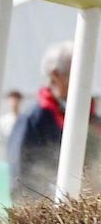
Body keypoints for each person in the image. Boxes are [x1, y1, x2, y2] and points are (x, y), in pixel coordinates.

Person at [8, 41, 101, 204]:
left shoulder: (92, 119)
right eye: (79, 71)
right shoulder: (32, 121)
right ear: (55, 76)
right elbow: (21, 179)